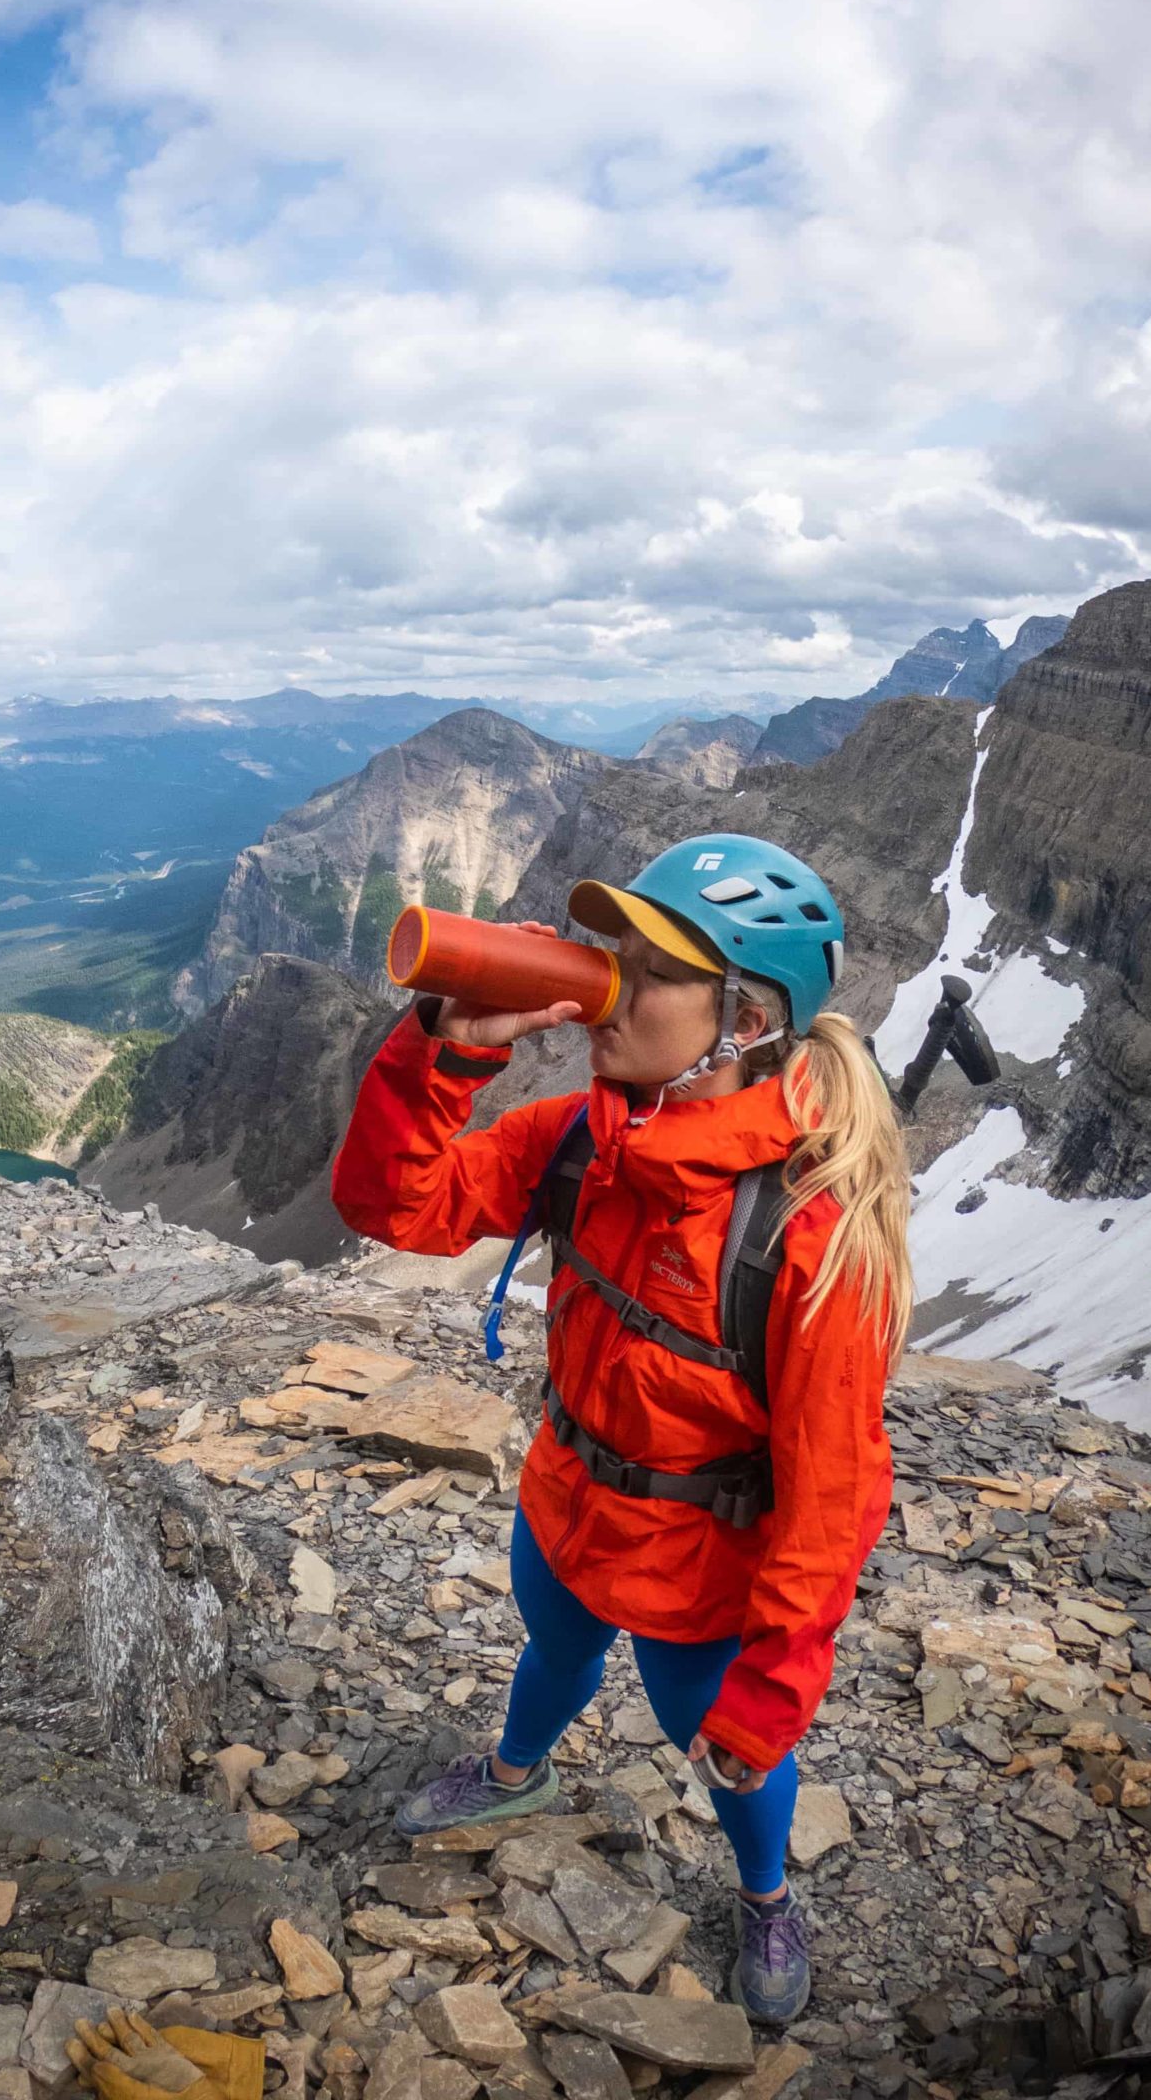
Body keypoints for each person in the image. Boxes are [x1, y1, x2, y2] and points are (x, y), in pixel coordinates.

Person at [331, 834, 913, 2026]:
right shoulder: (585, 1134)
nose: (607, 983)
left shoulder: (806, 1232)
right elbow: (392, 1204)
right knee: (553, 1645)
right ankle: (512, 1772)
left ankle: (761, 1894)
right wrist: (440, 1056)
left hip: (700, 1560)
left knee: (723, 1746)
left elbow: (835, 1488)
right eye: (614, 952)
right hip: (567, 1492)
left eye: (649, 970)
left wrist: (775, 1686)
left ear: (743, 1015)